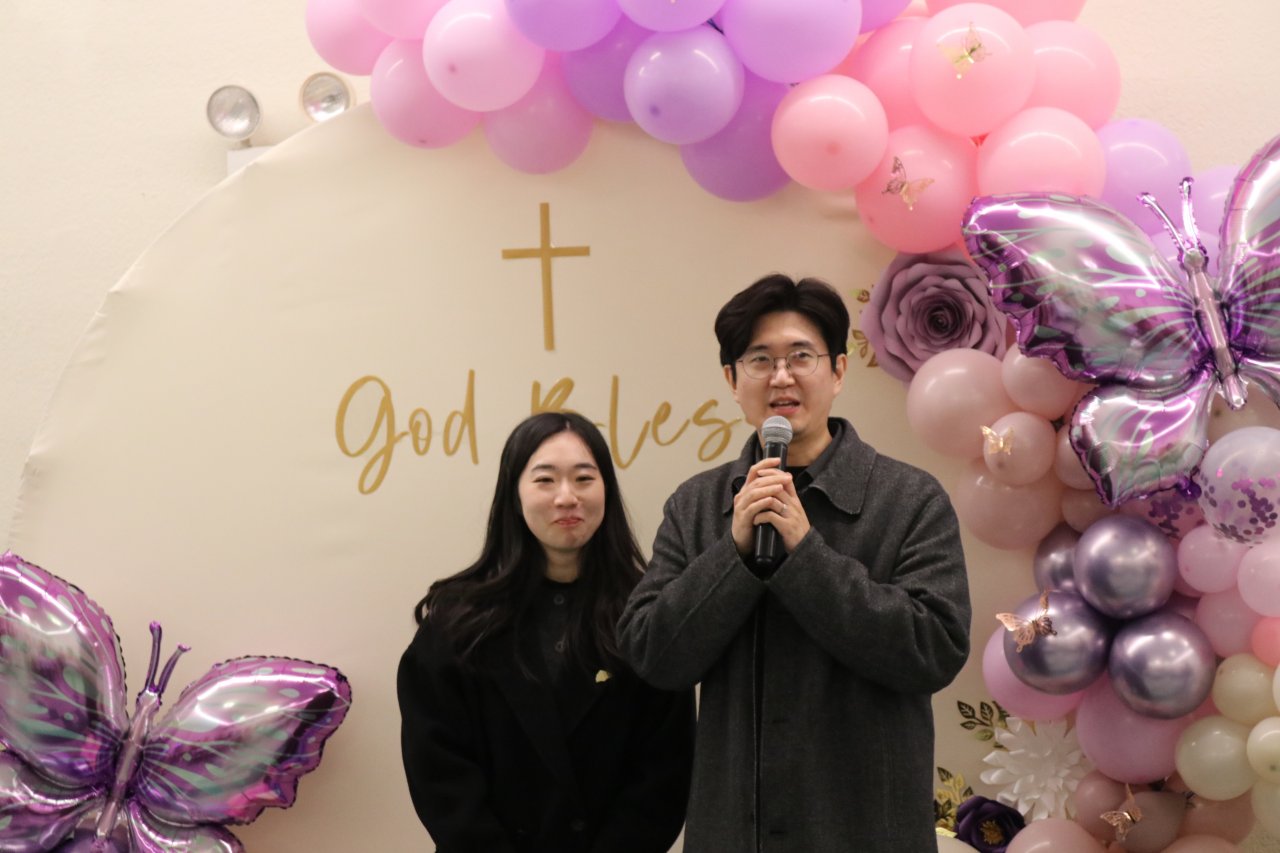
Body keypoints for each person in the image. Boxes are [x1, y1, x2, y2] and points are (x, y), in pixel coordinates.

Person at [617, 274, 971, 853]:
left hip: (865, 834)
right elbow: (652, 654)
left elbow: (934, 650)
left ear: (838, 371)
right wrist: (731, 553)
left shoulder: (910, 499)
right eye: (760, 360)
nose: (781, 377)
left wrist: (806, 554)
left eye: (801, 356)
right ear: (733, 382)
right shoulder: (696, 505)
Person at [398, 411, 695, 853]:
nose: (566, 497)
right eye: (544, 480)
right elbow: (439, 772)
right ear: (514, 494)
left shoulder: (648, 614)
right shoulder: (457, 621)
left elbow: (664, 775)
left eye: (584, 478)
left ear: (607, 490)